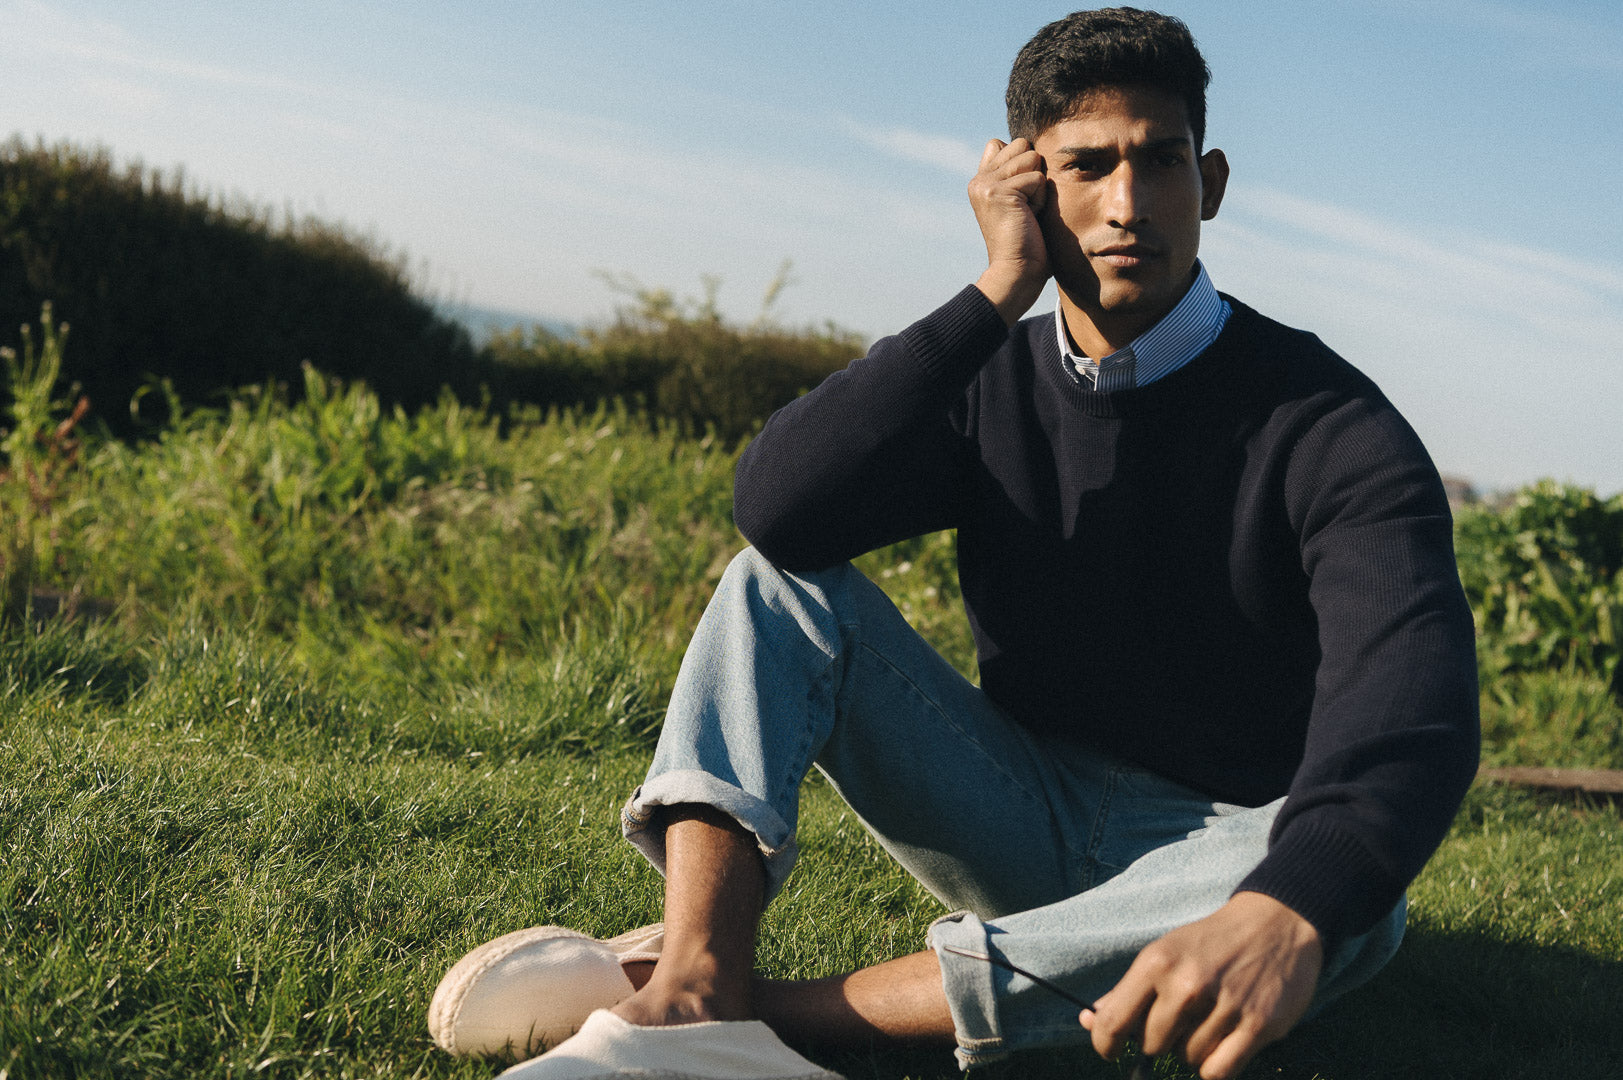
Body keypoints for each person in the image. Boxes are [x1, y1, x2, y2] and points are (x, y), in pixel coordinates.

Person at [428, 8, 1479, 1079]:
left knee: (1344, 894)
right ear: (1028, 186)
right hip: (1017, 805)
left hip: (1217, 845)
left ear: (1208, 184)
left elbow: (1416, 699)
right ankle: (697, 974)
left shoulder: (1332, 425)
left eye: (1160, 163)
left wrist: (1293, 900)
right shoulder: (992, 380)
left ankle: (748, 1022)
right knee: (774, 590)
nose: (1127, 204)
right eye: (1089, 166)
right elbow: (781, 510)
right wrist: (994, 293)